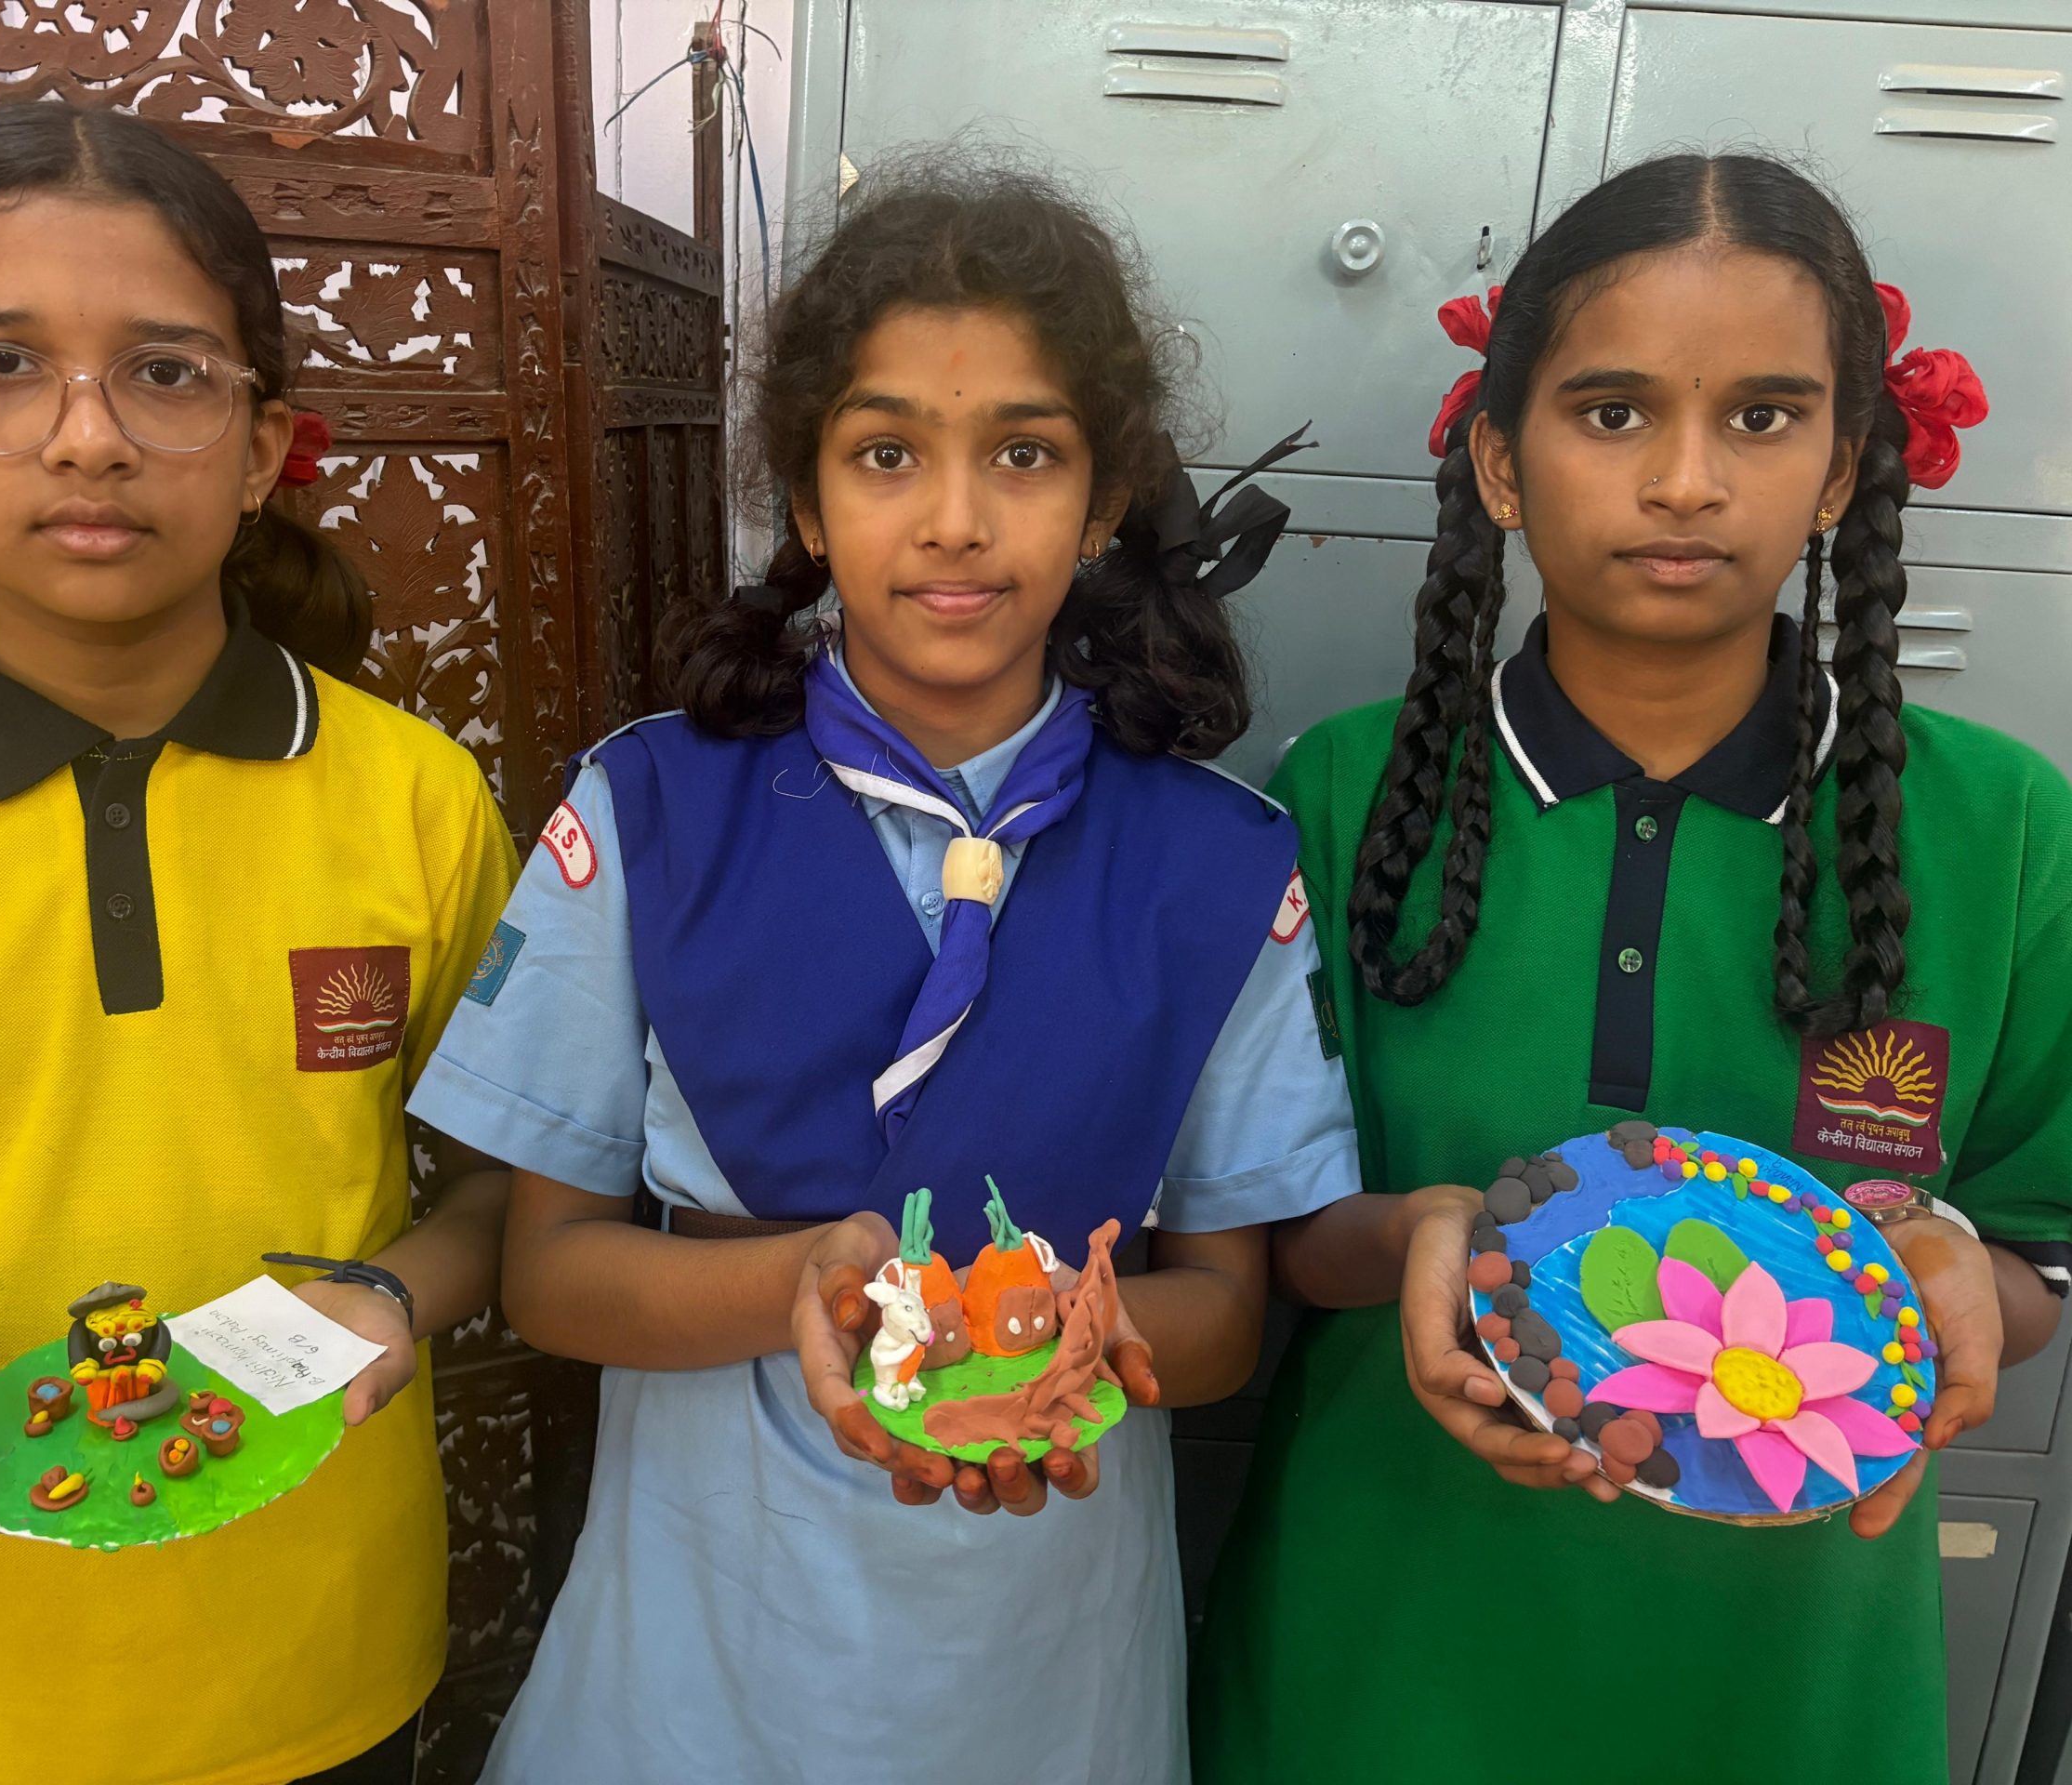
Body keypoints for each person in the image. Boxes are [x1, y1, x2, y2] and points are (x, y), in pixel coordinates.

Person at [409, 158, 1364, 1782]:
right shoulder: (647, 809)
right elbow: (551, 1275)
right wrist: (791, 1287)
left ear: (1107, 503)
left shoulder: (1222, 862)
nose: (955, 520)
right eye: (885, 454)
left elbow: (1221, 1317)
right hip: (705, 1633)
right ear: (804, 501)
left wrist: (1057, 1350)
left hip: (1048, 1637)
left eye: (1026, 455)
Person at [1193, 152, 2070, 1785]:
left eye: (1763, 416)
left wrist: (1961, 1277)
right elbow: (1273, 1234)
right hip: (1385, 1656)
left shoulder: (2004, 828)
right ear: (1500, 462)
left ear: (1841, 468)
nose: (1685, 480)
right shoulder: (1340, 796)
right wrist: (1423, 1234)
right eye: (1612, 412)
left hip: (1795, 1687)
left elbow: (2033, 1257)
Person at [0, 103, 517, 1785]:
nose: (88, 438)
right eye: (2, 366)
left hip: (329, 1653)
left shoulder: (416, 800)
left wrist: (393, 1293)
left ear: (264, 444)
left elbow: (516, 1198)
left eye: (164, 372)